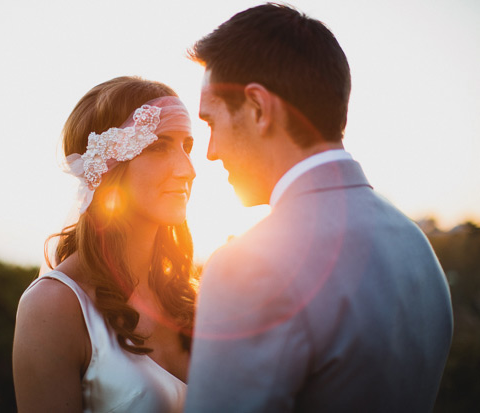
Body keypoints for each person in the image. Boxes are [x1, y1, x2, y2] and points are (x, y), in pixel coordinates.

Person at [185, 4, 453, 412]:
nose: (211, 152)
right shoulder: (416, 245)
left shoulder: (248, 266)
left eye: (211, 122)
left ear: (258, 109)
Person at [12, 76, 197, 412]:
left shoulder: (189, 295)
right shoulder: (54, 307)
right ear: (108, 165)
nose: (188, 169)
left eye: (188, 146)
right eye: (159, 146)